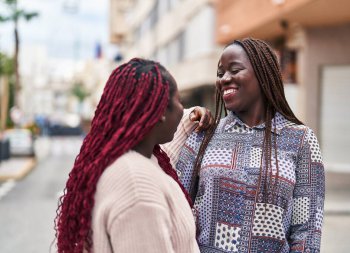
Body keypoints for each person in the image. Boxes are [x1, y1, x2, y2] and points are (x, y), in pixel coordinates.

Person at [176, 38, 325, 252]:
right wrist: (187, 115)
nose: (224, 79)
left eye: (234, 70)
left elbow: (308, 231)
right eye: (220, 73)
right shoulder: (203, 135)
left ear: (263, 75)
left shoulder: (300, 139)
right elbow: (177, 208)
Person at [54, 58, 212, 253]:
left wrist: (191, 119)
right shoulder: (137, 186)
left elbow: (163, 160)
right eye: (179, 101)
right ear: (161, 111)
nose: (182, 108)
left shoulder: (131, 160)